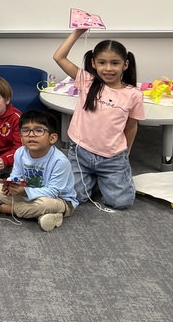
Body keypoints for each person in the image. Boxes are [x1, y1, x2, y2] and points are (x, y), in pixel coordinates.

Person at [54, 29, 143, 209]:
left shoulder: (133, 94)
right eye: (102, 63)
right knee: (75, 196)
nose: (108, 68)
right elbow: (59, 57)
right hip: (81, 152)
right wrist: (77, 33)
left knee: (120, 203)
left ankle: (102, 177)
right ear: (93, 63)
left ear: (125, 65)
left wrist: (126, 155)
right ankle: (93, 179)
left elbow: (132, 126)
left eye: (115, 63)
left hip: (112, 157)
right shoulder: (86, 81)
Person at [0, 109, 78, 232]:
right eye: (26, 130)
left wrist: (24, 192)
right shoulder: (20, 153)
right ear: (21, 138)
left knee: (43, 204)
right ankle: (46, 215)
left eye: (39, 130)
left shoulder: (60, 161)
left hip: (60, 200)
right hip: (29, 193)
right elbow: (16, 176)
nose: (31, 135)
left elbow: (53, 191)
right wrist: (10, 184)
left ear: (53, 138)